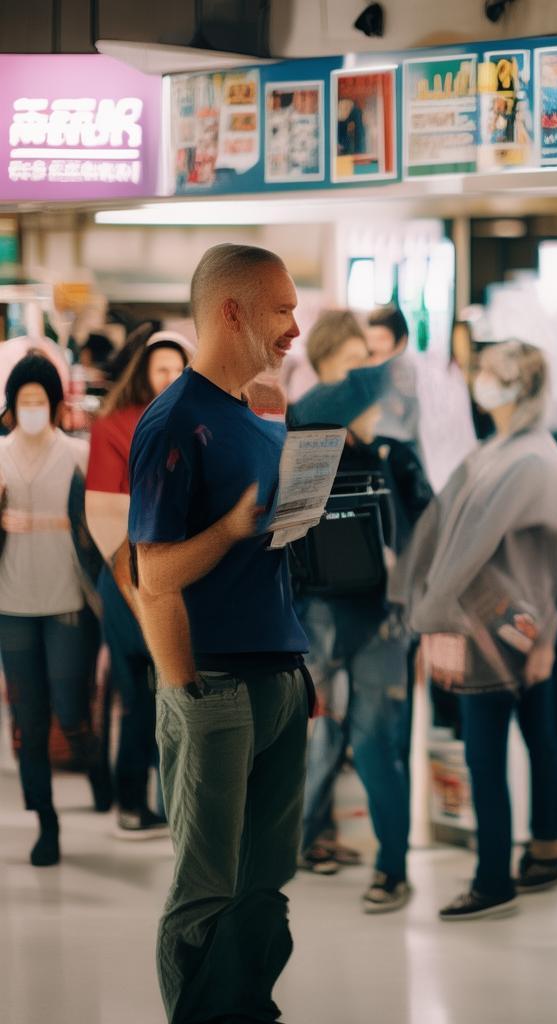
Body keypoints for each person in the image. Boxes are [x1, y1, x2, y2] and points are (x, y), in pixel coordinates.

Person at [128, 243, 313, 1024]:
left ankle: (247, 1009)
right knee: (207, 887)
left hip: (279, 679)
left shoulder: (258, 420)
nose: (295, 329)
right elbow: (156, 574)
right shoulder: (174, 422)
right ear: (231, 310)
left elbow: (263, 559)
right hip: (214, 687)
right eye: (282, 310)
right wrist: (186, 694)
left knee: (265, 884)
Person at [390, 340, 557, 920]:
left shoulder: (521, 460)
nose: (479, 380)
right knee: (536, 738)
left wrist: (427, 615)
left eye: (490, 373)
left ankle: (494, 876)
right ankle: (545, 849)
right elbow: (443, 529)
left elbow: (464, 549)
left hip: (499, 628)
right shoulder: (504, 451)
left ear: (517, 385)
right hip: (520, 624)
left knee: (490, 755)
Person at [291, 360, 432, 909]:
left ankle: (391, 868)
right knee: (314, 739)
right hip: (319, 616)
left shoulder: (395, 457)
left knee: (374, 745)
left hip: (383, 621)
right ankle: (300, 843)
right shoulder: (307, 451)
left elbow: (428, 527)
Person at [86, 332, 190, 838]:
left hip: (179, 578)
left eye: (178, 369)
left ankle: (172, 802)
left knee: (176, 695)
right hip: (127, 577)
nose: (169, 379)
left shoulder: (198, 423)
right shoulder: (114, 425)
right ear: (144, 373)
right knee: (139, 693)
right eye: (160, 369)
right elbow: (106, 516)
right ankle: (132, 800)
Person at [0, 354, 99, 866]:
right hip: (11, 604)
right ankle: (46, 820)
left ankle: (97, 769)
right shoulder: (0, 455)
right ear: (12, 406)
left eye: (42, 401)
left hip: (68, 601)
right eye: (25, 401)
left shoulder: (78, 453)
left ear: (56, 405)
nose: (33, 409)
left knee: (70, 706)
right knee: (29, 718)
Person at [366, 304, 421, 452]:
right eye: (370, 339)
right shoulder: (363, 370)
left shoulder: (409, 374)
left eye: (382, 339)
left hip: (402, 449)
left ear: (402, 341)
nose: (375, 346)